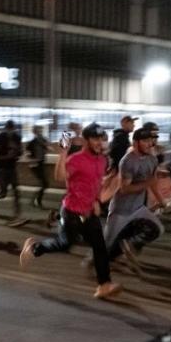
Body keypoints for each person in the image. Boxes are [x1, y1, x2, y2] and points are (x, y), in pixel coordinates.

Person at [19, 124, 122, 300]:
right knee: (64, 244)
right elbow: (59, 177)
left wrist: (98, 200)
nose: (99, 143)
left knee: (100, 247)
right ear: (85, 140)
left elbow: (96, 183)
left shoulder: (102, 160)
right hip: (72, 212)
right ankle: (35, 248)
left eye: (101, 139)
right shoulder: (76, 159)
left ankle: (104, 285)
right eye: (95, 139)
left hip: (89, 212)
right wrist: (63, 152)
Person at [105, 127, 166, 276]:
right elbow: (125, 189)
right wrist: (148, 183)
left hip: (138, 208)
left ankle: (130, 245)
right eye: (145, 140)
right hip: (121, 209)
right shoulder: (127, 161)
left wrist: (161, 200)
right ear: (135, 142)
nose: (149, 143)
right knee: (106, 246)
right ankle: (96, 262)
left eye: (150, 140)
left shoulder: (152, 159)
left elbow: (153, 182)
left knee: (157, 229)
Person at [26, 125, 50, 209]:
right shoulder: (32, 142)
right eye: (39, 131)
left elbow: (48, 147)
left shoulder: (42, 140)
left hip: (41, 164)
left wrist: (44, 144)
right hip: (35, 165)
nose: (40, 132)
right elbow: (27, 154)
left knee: (44, 184)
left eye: (41, 131)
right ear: (35, 132)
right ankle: (37, 200)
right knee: (44, 183)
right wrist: (33, 159)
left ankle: (34, 200)